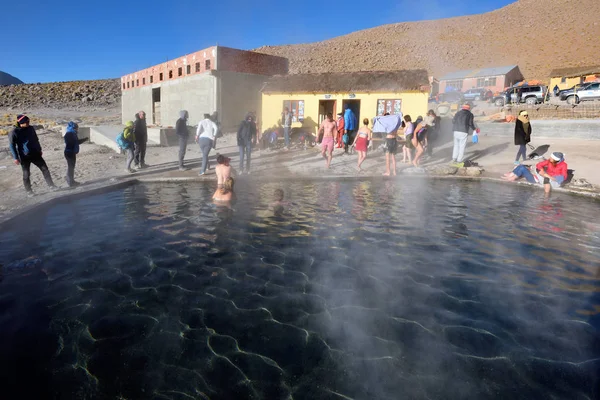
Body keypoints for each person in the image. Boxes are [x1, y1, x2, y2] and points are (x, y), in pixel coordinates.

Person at [9, 114, 56, 194]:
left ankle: (51, 186)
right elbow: (12, 145)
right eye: (26, 122)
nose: (28, 123)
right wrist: (15, 157)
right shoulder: (14, 132)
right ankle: (29, 191)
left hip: (35, 153)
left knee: (45, 169)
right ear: (21, 123)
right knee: (26, 174)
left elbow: (36, 139)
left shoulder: (30, 128)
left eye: (28, 121)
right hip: (24, 156)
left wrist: (39, 149)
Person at [502, 152, 567, 193]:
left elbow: (563, 177)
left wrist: (546, 175)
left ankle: (512, 177)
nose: (549, 158)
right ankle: (511, 174)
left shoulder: (563, 165)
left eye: (551, 158)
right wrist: (542, 170)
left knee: (522, 168)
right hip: (542, 176)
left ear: (556, 160)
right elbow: (539, 165)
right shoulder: (549, 161)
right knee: (521, 166)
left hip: (537, 180)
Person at [63, 121, 80, 187]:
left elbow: (76, 142)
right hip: (69, 152)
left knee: (72, 167)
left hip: (72, 152)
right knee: (70, 167)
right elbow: (71, 143)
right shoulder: (70, 134)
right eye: (77, 128)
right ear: (74, 128)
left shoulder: (73, 133)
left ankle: (72, 180)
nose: (77, 129)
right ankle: (70, 182)